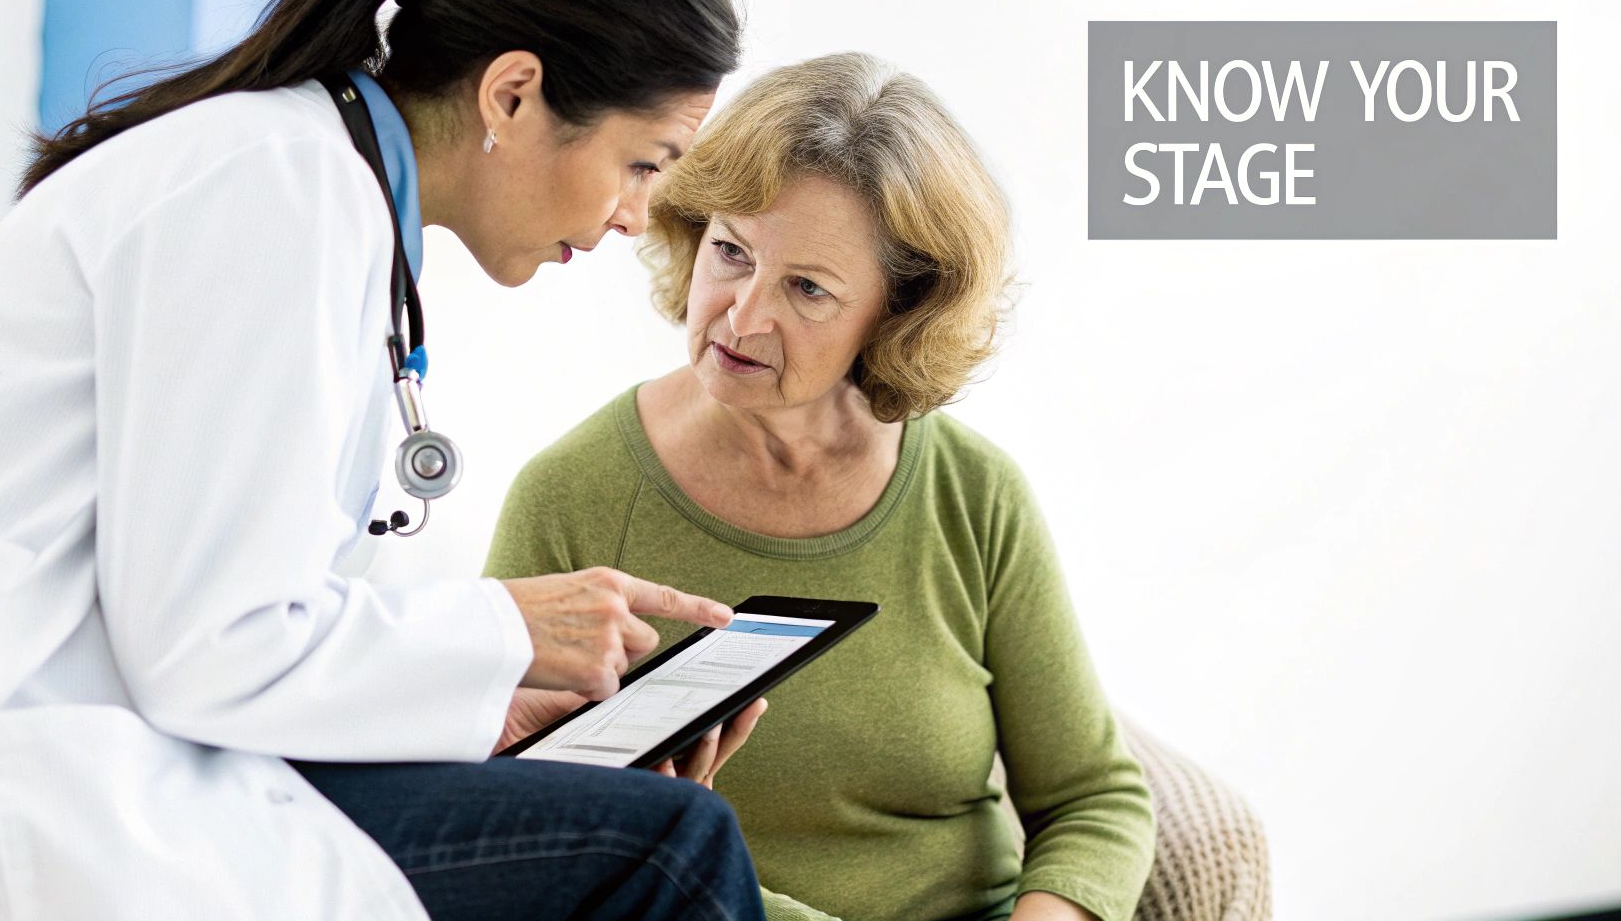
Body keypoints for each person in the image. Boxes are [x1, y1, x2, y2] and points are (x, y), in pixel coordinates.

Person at [0, 0, 771, 918]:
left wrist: (480, 703)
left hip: (110, 735)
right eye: (644, 162)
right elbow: (210, 648)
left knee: (616, 814)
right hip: (33, 758)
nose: (634, 214)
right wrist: (500, 630)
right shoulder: (277, 190)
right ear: (511, 93)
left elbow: (223, 624)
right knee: (668, 850)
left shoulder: (312, 184)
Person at [484, 53, 1157, 921]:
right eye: (730, 253)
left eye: (807, 288)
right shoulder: (570, 499)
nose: (742, 314)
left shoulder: (973, 495)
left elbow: (1095, 797)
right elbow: (517, 833)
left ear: (895, 315)